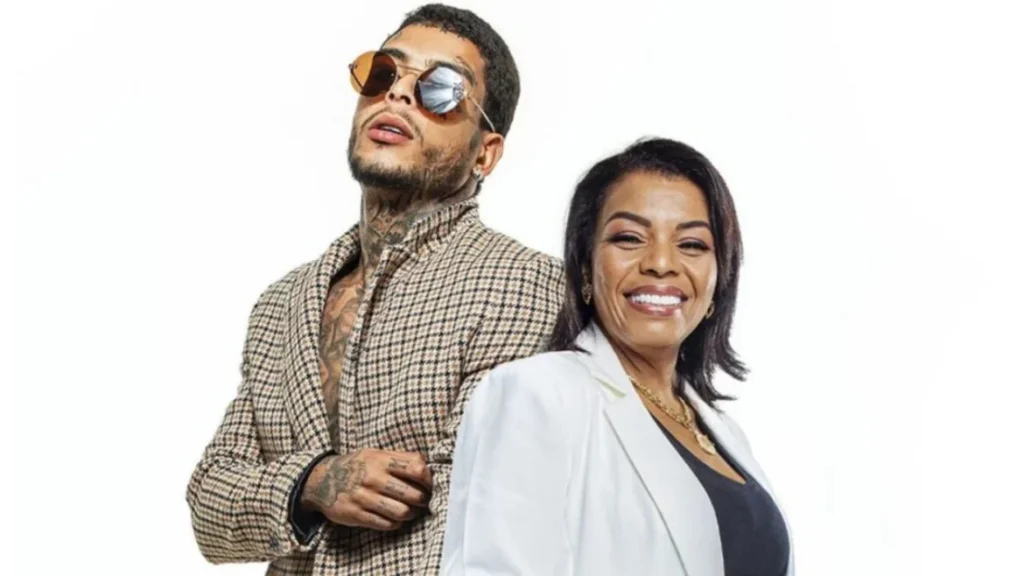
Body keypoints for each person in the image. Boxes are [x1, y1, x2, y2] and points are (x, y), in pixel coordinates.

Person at [184, 5, 564, 575]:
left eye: (441, 88)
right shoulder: (281, 304)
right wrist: (312, 483)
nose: (398, 94)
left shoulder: (524, 285)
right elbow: (209, 507)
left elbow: (479, 517)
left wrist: (276, 492)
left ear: (485, 153)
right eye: (382, 73)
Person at [440, 137, 794, 575]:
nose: (661, 262)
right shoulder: (535, 394)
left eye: (692, 244)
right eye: (629, 238)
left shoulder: (725, 433)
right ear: (585, 269)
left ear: (718, 279)